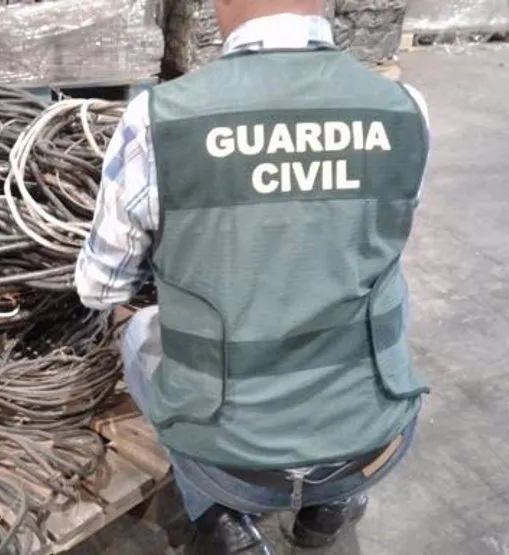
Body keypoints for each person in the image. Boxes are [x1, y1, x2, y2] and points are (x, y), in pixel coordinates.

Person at [74, 0, 432, 552]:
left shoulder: (157, 120)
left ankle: (217, 516)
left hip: (235, 465)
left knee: (140, 330)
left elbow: (100, 288)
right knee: (388, 289)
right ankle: (329, 506)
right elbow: (384, 228)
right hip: (375, 449)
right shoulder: (405, 109)